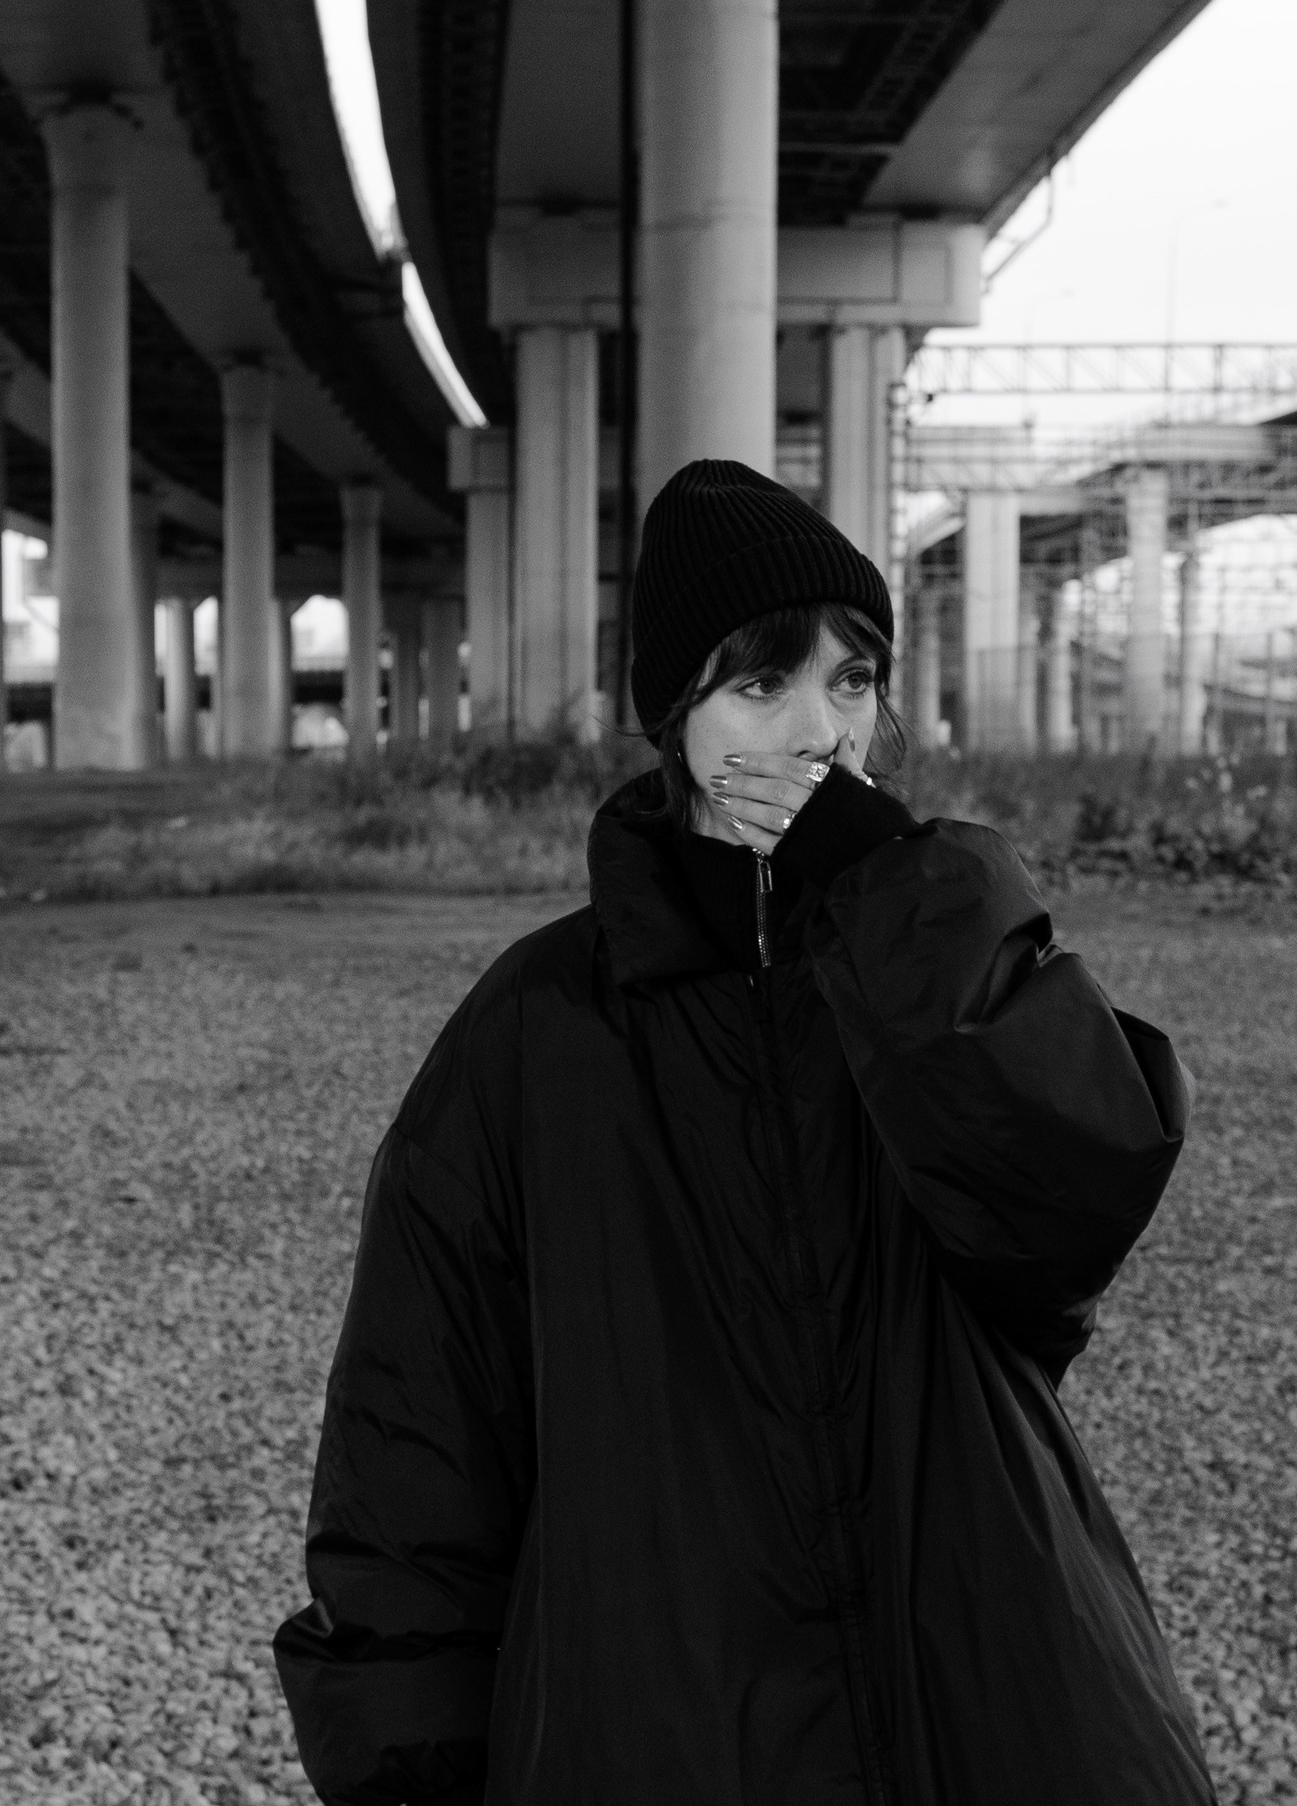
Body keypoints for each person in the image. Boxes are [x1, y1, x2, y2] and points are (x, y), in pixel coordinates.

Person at [273, 458, 1210, 1805]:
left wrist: (897, 899)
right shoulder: (540, 1025)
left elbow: (1072, 1206)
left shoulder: (929, 967)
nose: (819, 731)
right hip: (667, 1711)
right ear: (678, 721)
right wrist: (409, 1764)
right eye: (761, 684)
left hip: (998, 1684)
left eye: (852, 680)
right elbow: (418, 1439)